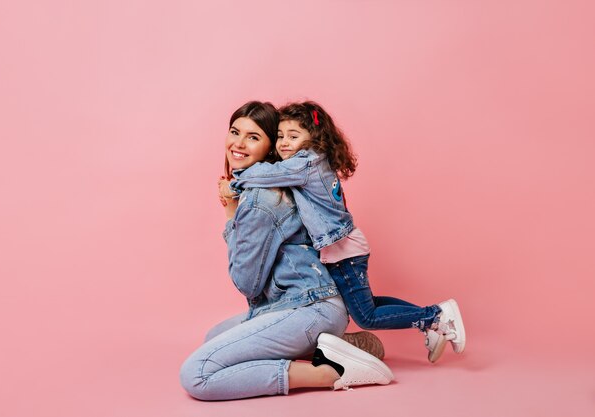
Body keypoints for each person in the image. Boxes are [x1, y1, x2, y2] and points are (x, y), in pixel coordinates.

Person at [180, 101, 394, 401]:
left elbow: (247, 283)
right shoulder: (275, 187)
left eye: (253, 137)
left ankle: (332, 371)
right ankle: (341, 345)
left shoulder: (260, 200)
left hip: (308, 309)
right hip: (307, 305)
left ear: (269, 147)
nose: (238, 144)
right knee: (213, 340)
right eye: (235, 132)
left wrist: (230, 216)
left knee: (197, 375)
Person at [222, 101, 466, 363]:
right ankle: (428, 321)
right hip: (343, 248)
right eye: (280, 136)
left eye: (293, 137)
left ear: (314, 139)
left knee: (366, 316)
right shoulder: (307, 164)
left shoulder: (305, 164)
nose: (284, 143)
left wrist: (235, 184)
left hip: (343, 251)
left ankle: (435, 316)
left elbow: (269, 174)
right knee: (367, 303)